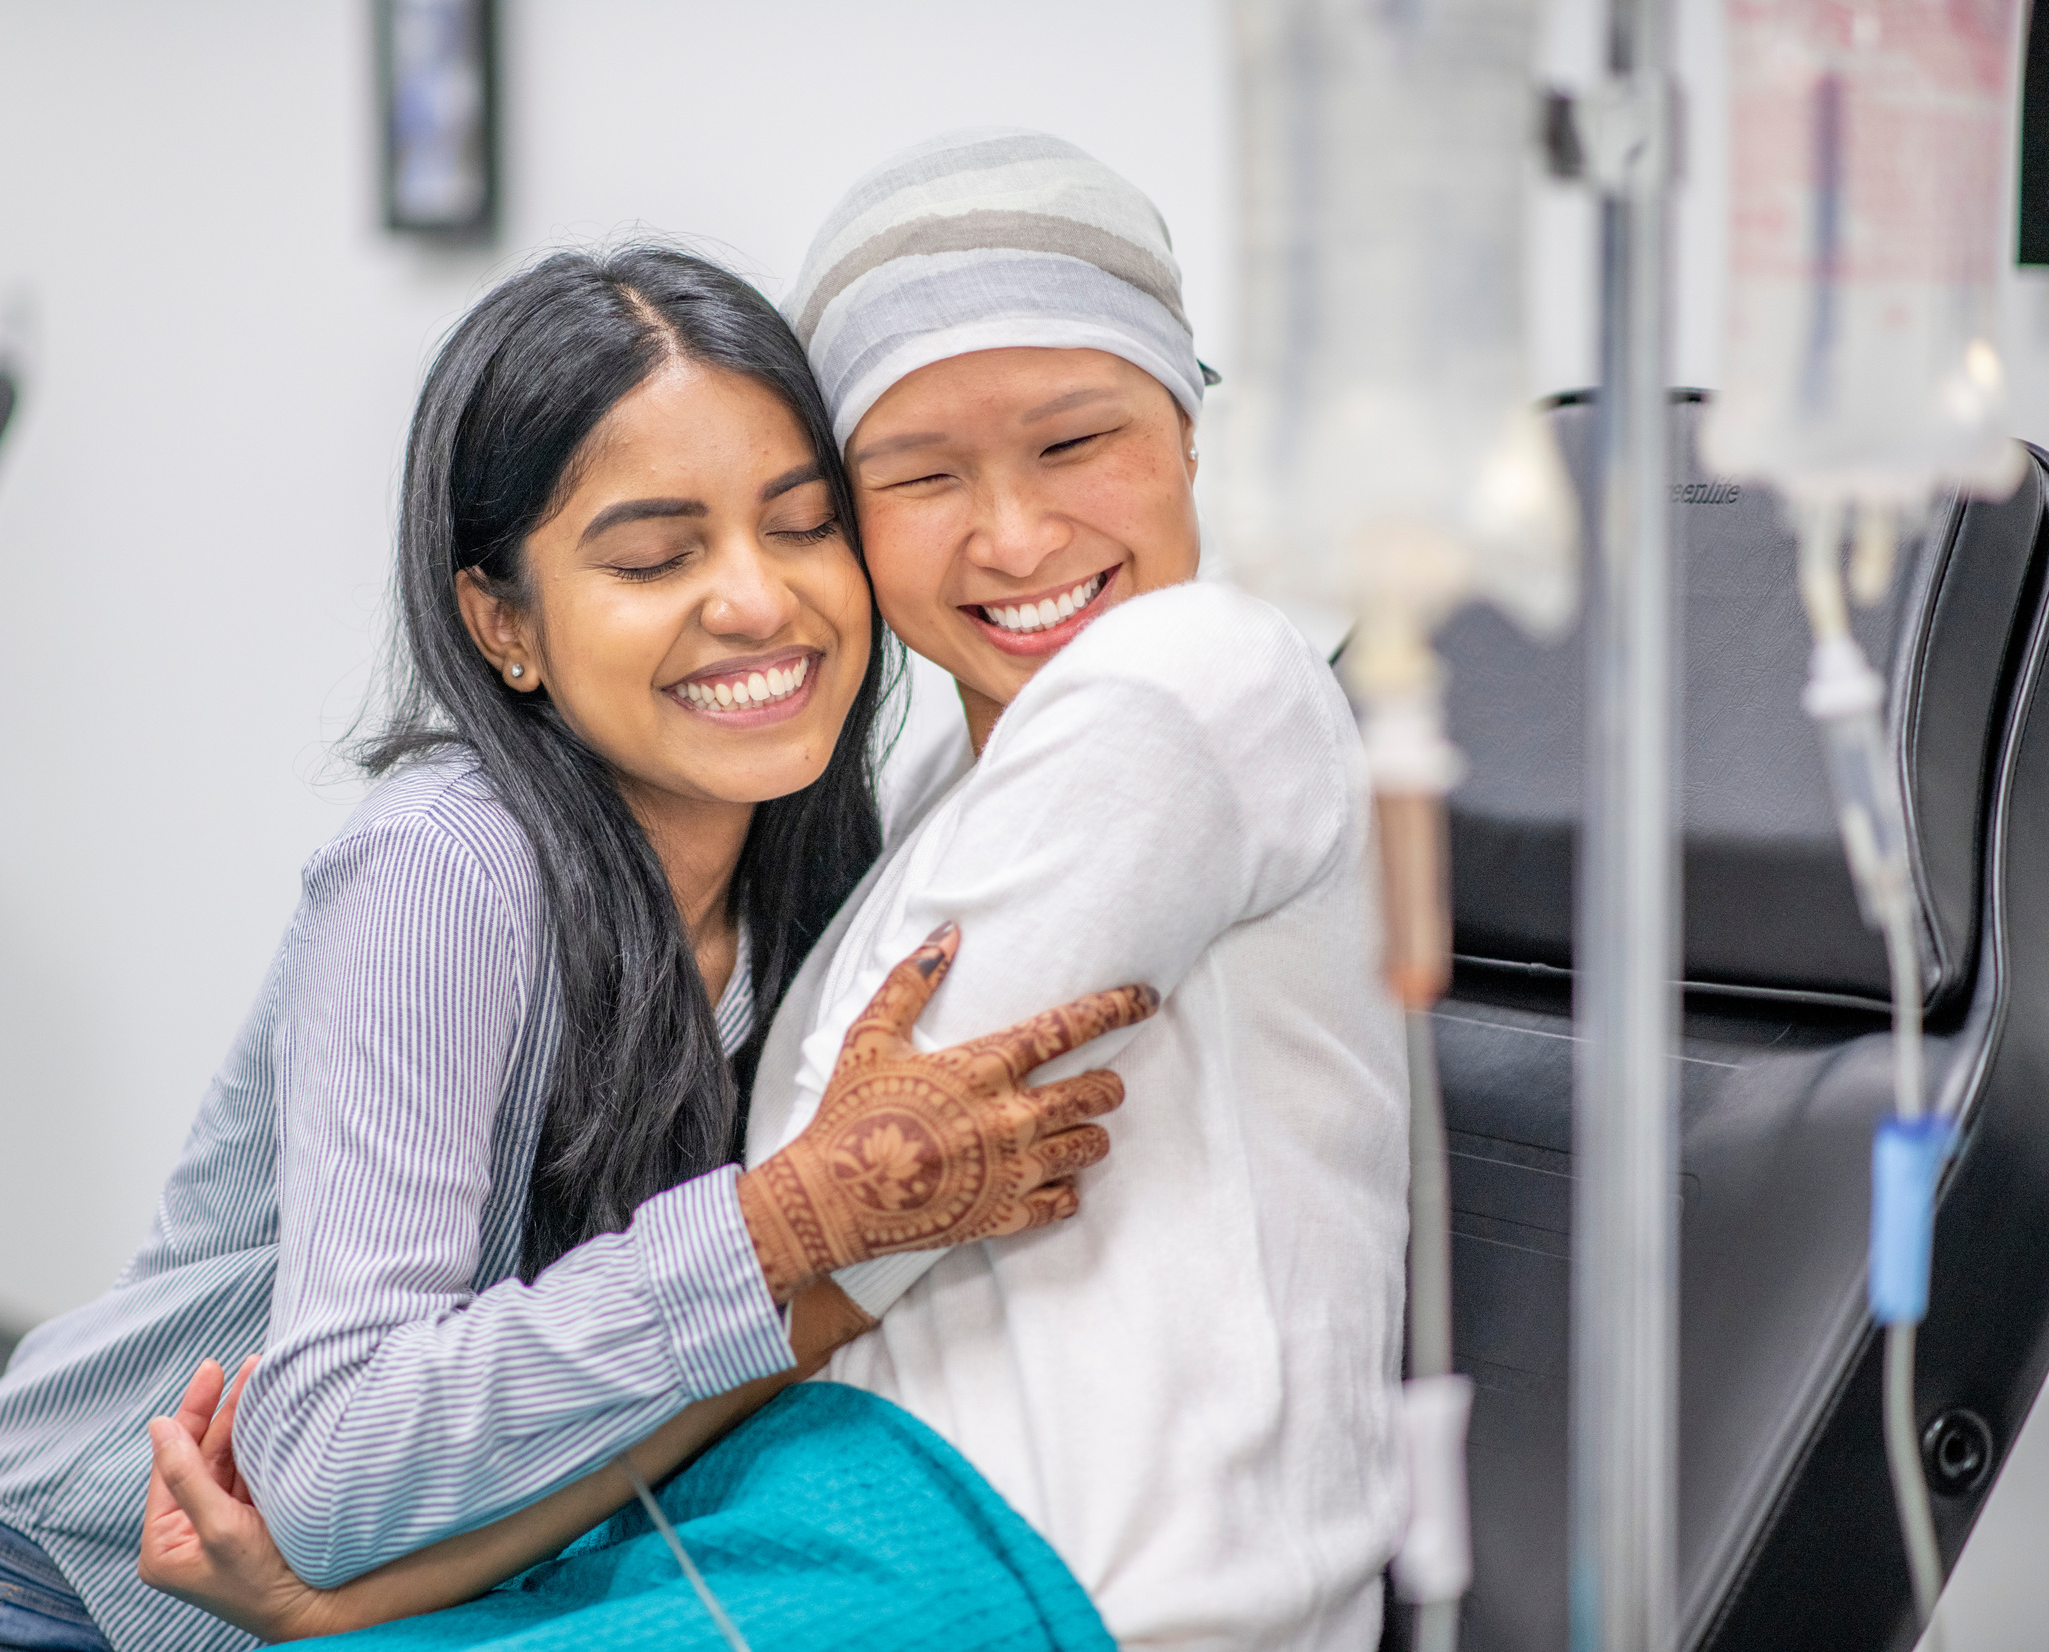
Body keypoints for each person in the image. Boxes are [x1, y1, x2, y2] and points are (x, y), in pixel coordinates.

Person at [143, 131, 1410, 1652]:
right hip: (766, 1517)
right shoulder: (851, 805)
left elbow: (819, 1271)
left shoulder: (1174, 675)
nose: (1015, 534)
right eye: (917, 475)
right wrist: (363, 1594)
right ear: (501, 622)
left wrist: (359, 1599)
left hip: (1020, 1557)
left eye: (1076, 444)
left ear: (1190, 430)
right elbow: (795, 1273)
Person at [0, 244, 1149, 1652]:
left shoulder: (825, 864)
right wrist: (781, 1223)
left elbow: (710, 1367)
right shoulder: (444, 870)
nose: (755, 600)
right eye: (654, 558)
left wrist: (350, 1603)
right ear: (502, 624)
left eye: (800, 527)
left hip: (394, 1605)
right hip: (59, 1601)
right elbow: (330, 1460)